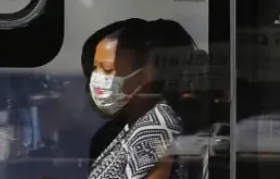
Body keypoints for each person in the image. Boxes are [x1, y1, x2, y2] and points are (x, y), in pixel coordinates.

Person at [85, 19, 199, 179]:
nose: (97, 78)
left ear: (147, 73)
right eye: (95, 68)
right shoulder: (120, 130)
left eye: (108, 69)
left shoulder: (156, 132)